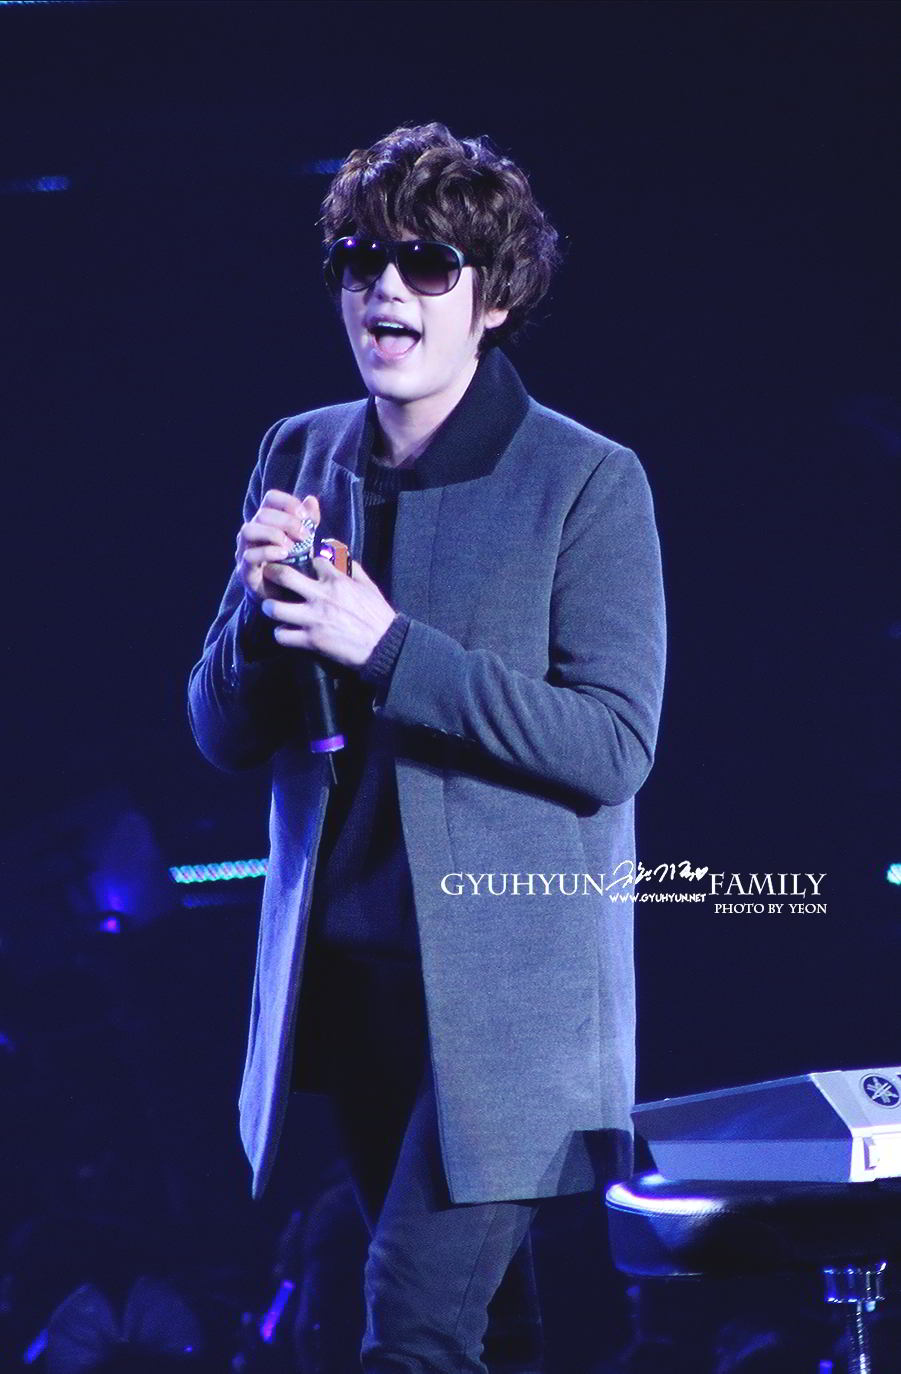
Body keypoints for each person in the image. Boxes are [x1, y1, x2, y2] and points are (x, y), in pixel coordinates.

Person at [188, 121, 666, 1374]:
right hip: (354, 984)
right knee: (489, 1329)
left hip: (511, 1002)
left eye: (426, 263)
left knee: (410, 1317)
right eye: (361, 260)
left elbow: (613, 743)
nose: (385, 289)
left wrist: (389, 646)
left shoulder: (584, 480)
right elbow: (221, 732)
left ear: (492, 298)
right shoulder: (300, 450)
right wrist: (262, 618)